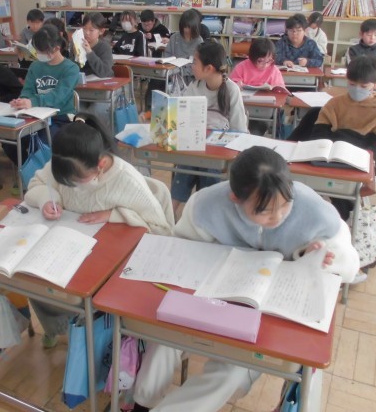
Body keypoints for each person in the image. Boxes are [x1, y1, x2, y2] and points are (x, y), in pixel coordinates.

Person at [132, 147, 359, 412]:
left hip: (269, 315)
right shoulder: (207, 205)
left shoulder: (316, 212)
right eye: (264, 211)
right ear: (235, 198)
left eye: (285, 205)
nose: (277, 216)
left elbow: (349, 266)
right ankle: (141, 404)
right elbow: (183, 248)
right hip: (212, 295)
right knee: (163, 339)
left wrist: (314, 256)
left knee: (231, 373)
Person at [24, 113, 174, 347]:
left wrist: (115, 214)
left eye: (77, 181)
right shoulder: (62, 163)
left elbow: (161, 230)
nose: (72, 188)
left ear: (101, 165)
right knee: (32, 275)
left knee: (87, 293)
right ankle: (59, 326)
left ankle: (92, 335)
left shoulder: (127, 180)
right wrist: (46, 199)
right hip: (70, 247)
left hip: (109, 259)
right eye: (66, 182)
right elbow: (35, 184)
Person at [312, 55, 376, 219]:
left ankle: (342, 212)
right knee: (325, 181)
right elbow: (319, 132)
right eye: (351, 84)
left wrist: (360, 157)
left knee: (342, 186)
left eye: (363, 86)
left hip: (361, 157)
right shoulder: (335, 104)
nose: (357, 89)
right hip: (332, 157)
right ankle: (336, 211)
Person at [170, 41, 248, 215]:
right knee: (188, 161)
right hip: (196, 143)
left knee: (207, 166)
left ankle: (206, 211)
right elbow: (182, 117)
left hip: (219, 149)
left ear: (209, 68)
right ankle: (170, 211)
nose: (191, 66)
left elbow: (240, 129)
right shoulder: (195, 86)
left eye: (195, 62)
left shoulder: (231, 90)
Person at [2, 24, 79, 165]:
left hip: (60, 118)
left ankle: (41, 172)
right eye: (37, 51)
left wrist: (32, 102)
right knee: (9, 141)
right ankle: (29, 171)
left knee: (41, 144)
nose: (39, 55)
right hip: (34, 116)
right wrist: (22, 101)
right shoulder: (36, 66)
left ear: (56, 48)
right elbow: (28, 90)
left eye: (42, 51)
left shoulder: (71, 68)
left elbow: (59, 96)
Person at [76, 12, 114, 78]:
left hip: (102, 82)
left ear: (101, 31)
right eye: (84, 28)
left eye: (91, 30)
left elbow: (105, 72)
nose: (87, 33)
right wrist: (76, 56)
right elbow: (73, 68)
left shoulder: (105, 47)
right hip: (83, 81)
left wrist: (89, 52)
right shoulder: (78, 44)